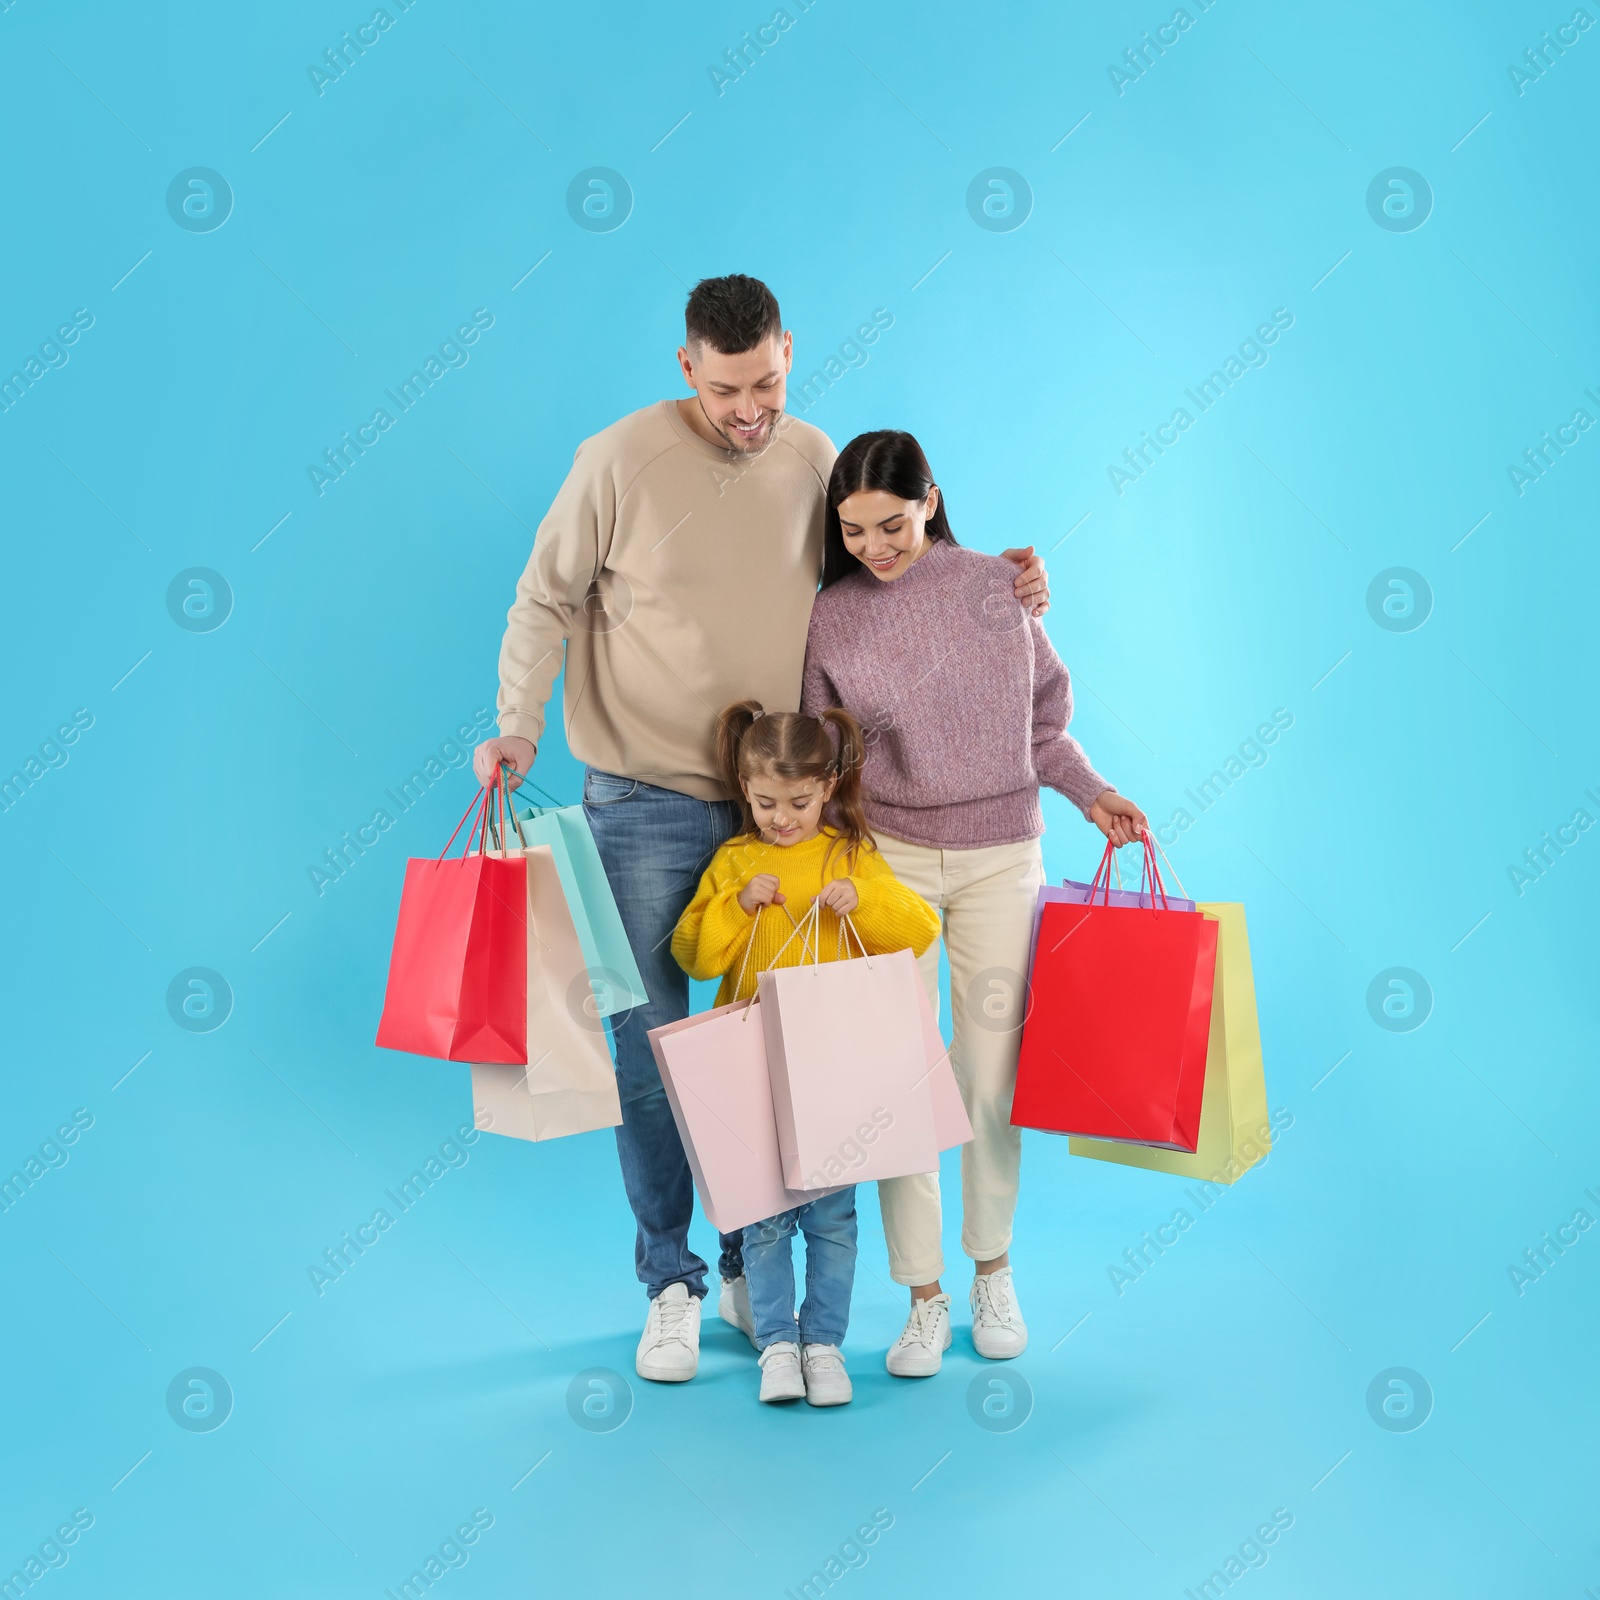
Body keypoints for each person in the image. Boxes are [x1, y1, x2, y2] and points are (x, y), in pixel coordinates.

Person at [471, 275, 1051, 1383]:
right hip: (639, 796)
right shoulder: (616, 460)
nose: (752, 409)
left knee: (780, 1056)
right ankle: (670, 1282)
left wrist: (1014, 587)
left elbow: (885, 585)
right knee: (649, 1054)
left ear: (791, 350)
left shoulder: (813, 456)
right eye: (729, 388)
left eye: (769, 383)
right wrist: (513, 725)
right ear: (686, 366)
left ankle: (754, 1275)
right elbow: (543, 599)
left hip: (782, 809)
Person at [800, 430, 1149, 1377]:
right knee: (900, 1080)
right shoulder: (831, 617)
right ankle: (922, 1296)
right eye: (855, 530)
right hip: (892, 861)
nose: (876, 546)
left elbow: (1045, 726)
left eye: (893, 524)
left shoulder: (1000, 588)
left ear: (933, 501)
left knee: (989, 1077)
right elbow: (826, 761)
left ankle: (992, 1269)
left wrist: (1094, 793)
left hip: (1003, 855)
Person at [670, 702, 939, 1405]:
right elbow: (692, 956)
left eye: (798, 801)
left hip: (835, 1071)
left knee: (832, 1218)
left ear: (827, 787)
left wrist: (864, 905)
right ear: (744, 787)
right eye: (765, 802)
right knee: (764, 1218)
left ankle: (824, 1344)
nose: (781, 817)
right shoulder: (734, 860)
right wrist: (736, 906)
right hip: (755, 1066)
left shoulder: (850, 854)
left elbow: (921, 930)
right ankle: (777, 1346)